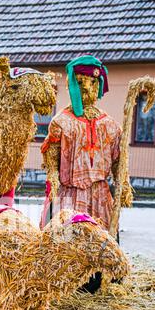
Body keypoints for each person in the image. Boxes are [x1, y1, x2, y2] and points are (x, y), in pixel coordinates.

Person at [40, 55, 121, 231]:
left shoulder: (111, 125)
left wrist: (123, 185)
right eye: (81, 82)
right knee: (67, 247)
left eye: (92, 83)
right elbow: (51, 160)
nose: (87, 87)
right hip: (69, 196)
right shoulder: (61, 122)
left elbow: (118, 162)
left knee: (99, 244)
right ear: (72, 85)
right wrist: (53, 181)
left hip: (100, 197)